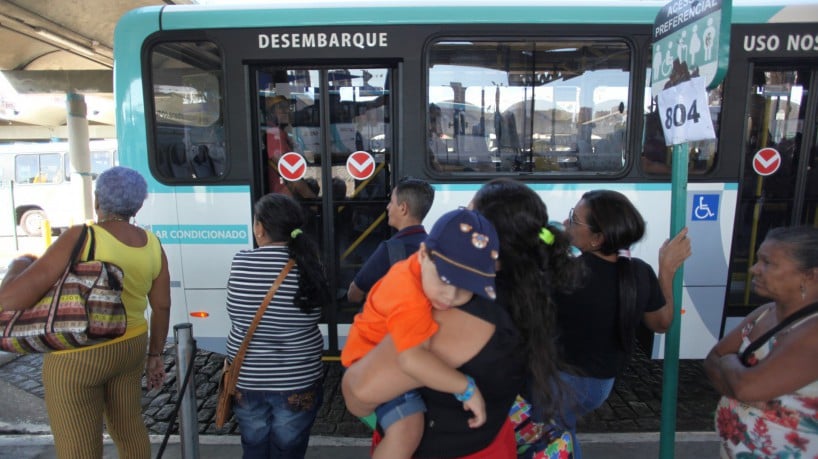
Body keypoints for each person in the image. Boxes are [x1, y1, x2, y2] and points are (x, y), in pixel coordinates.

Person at [343, 178, 582, 458]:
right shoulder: (525, 288)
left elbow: (359, 394)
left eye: (467, 214)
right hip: (490, 441)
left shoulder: (458, 312)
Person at [0, 166, 171, 459]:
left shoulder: (82, 237)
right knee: (130, 429)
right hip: (131, 347)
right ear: (137, 205)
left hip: (78, 354)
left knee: (78, 444)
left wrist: (18, 265)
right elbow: (162, 305)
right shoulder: (152, 243)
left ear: (97, 201)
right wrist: (154, 355)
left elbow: (13, 298)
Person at [341, 208, 499, 459]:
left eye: (465, 289)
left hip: (394, 359)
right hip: (367, 361)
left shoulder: (425, 276)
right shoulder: (406, 291)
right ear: (423, 254)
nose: (450, 296)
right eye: (446, 280)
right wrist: (466, 388)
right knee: (407, 431)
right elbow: (411, 359)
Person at [552, 189, 691, 458]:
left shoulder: (566, 275)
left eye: (574, 219)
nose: (567, 222)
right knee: (561, 433)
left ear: (597, 239)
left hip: (566, 384)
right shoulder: (638, 270)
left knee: (550, 437)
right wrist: (667, 270)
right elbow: (661, 322)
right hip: (601, 385)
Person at [225, 193, 330, 458]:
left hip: (248, 379)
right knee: (289, 448)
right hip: (298, 378)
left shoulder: (241, 262)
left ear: (259, 228)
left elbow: (236, 314)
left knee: (254, 445)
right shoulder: (309, 266)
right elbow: (313, 315)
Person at [704, 226, 818, 457]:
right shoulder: (764, 313)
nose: (754, 269)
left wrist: (728, 361)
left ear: (810, 275)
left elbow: (746, 387)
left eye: (768, 263)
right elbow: (710, 362)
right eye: (757, 260)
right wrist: (738, 380)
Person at [347, 177, 435, 303]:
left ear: (403, 208)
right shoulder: (436, 247)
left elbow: (354, 294)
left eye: (391, 202)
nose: (388, 207)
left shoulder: (389, 249)